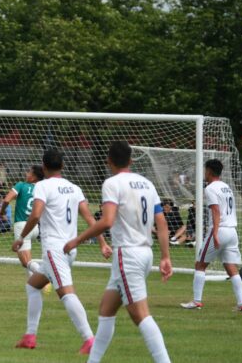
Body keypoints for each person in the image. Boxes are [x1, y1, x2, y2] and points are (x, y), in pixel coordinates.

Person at [63, 141, 172, 363]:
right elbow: (161, 222)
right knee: (106, 310)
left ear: (108, 160)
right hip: (144, 253)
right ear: (131, 160)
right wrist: (165, 256)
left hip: (128, 255)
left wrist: (77, 240)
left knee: (140, 314)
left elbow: (107, 221)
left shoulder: (112, 184)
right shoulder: (147, 184)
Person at [11, 148, 110, 353]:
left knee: (66, 293)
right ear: (62, 165)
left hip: (55, 249)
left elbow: (35, 215)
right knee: (33, 285)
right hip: (70, 248)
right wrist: (102, 243)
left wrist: (21, 238)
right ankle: (30, 336)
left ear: (43, 166)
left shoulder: (42, 186)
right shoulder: (74, 188)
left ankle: (90, 340)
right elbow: (90, 218)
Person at [181, 159, 242, 312]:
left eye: (205, 170)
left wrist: (215, 233)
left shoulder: (210, 188)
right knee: (231, 267)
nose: (204, 173)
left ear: (209, 171)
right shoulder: (226, 187)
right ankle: (241, 304)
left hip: (220, 230)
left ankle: (196, 301)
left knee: (200, 265)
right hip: (232, 231)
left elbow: (216, 211)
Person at [0, 165, 45, 277]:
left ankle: (44, 276)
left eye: (29, 172)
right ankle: (34, 285)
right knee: (28, 261)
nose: (26, 174)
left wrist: (2, 212)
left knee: (25, 262)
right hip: (35, 227)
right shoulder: (42, 189)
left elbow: (7, 200)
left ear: (34, 177)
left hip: (22, 226)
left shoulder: (21, 185)